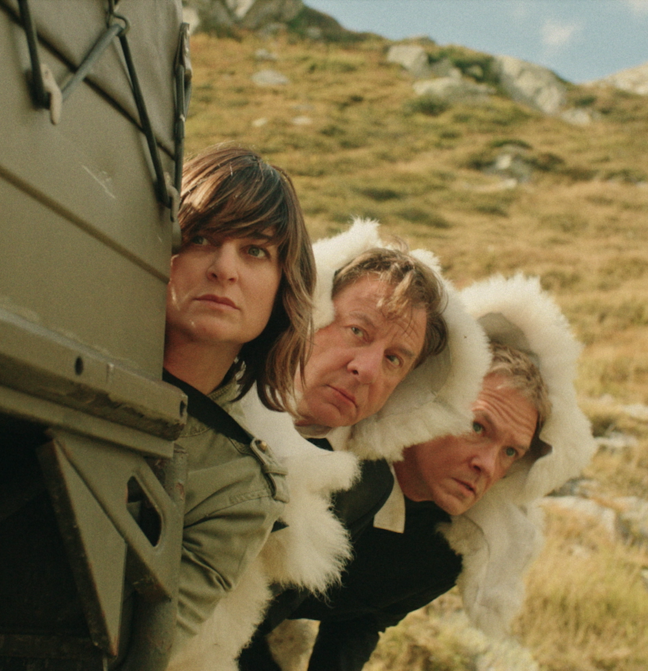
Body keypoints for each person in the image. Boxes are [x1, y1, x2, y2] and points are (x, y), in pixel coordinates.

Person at [171, 220, 490, 671]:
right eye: (357, 331)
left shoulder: (363, 486)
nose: (368, 369)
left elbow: (265, 615)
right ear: (311, 311)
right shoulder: (208, 367)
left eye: (394, 359)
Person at [247, 275, 596, 671]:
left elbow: (367, 614)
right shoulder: (329, 470)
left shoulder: (446, 553)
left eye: (510, 452)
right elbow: (233, 602)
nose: (487, 464)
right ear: (432, 402)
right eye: (478, 427)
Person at [161, 144, 315, 656]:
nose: (224, 268)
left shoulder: (241, 488)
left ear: (282, 287)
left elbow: (138, 649)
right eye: (201, 238)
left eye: (255, 251)